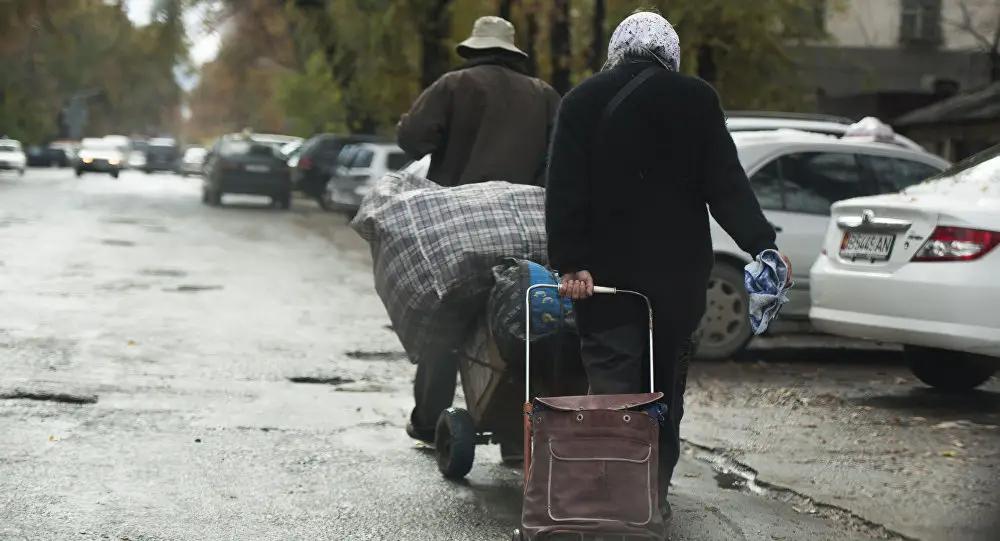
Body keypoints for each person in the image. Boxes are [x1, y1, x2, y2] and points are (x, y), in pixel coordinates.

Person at [545, 11, 791, 521]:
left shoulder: (581, 100)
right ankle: (652, 498)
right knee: (664, 392)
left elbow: (564, 189)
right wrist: (761, 244)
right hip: (676, 280)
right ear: (670, 53)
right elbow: (726, 183)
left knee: (613, 384)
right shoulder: (697, 99)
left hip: (604, 280)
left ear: (618, 48)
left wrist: (572, 262)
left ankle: (612, 499)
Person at [398, 16, 561, 442]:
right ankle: (514, 431)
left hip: (460, 225)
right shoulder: (544, 95)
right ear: (511, 53)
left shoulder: (453, 86)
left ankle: (429, 421)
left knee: (446, 321)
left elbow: (411, 139)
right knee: (521, 322)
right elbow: (558, 156)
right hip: (527, 227)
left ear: (474, 49)